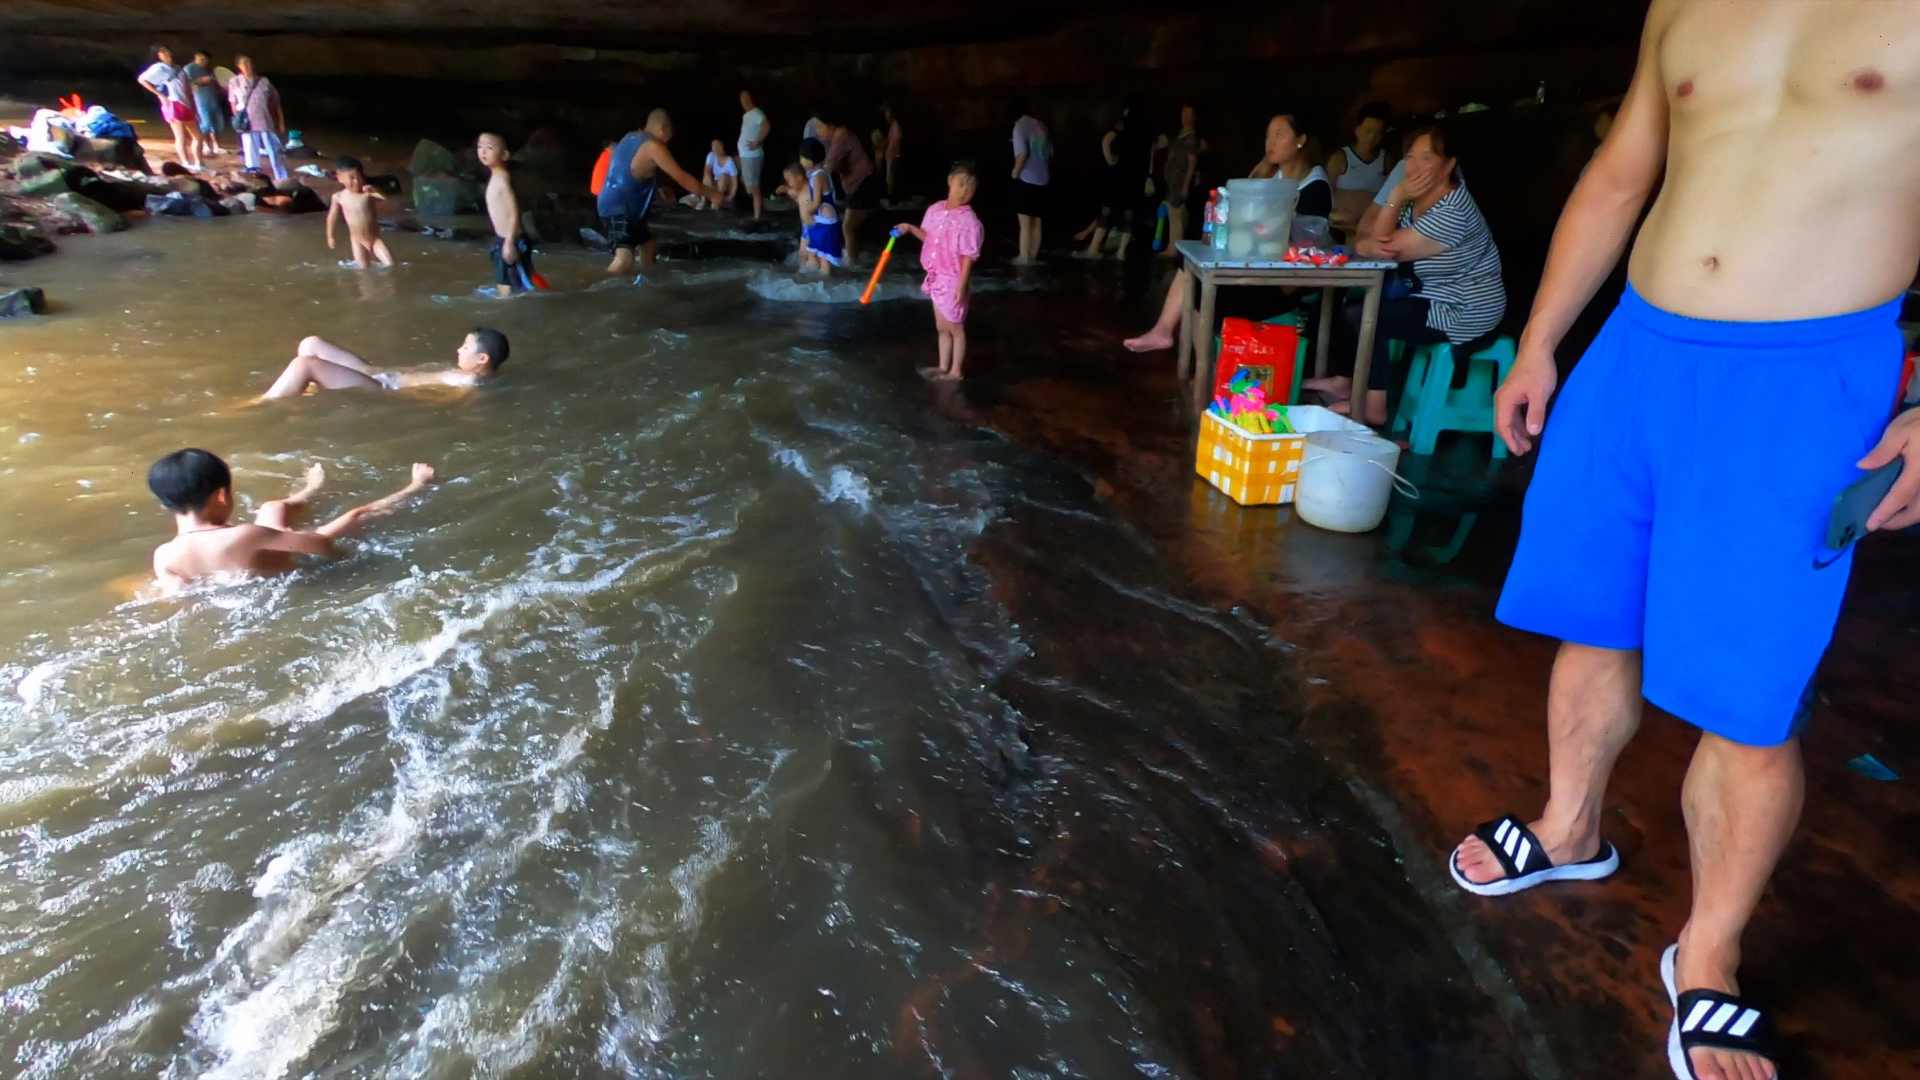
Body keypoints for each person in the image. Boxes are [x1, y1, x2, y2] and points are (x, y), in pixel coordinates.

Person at [1458, 4, 1920, 1079]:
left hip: (1804, 380)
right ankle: (1569, 829)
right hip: (1637, 351)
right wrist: (1540, 341)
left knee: (1750, 695)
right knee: (1595, 620)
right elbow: (1622, 175)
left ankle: (1708, 953)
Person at [1305, 124, 1505, 426]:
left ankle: (1374, 405)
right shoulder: (1416, 201)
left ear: (1449, 164)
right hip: (1431, 296)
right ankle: (1346, 382)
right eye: (1410, 157)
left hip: (1464, 309)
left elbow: (1383, 248)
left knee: (1367, 315)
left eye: (1427, 158)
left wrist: (1394, 198)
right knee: (1355, 307)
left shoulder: (1453, 210)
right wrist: (1378, 231)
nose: (1414, 166)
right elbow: (1370, 241)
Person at [1123, 113, 1333, 353]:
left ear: (1301, 140)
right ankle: (1178, 343)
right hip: (1256, 270)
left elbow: (1295, 248)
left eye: (1280, 134)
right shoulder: (1274, 176)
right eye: (1268, 136)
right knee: (1189, 265)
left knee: (1200, 290)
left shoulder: (1315, 187)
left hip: (1283, 283)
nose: (1270, 143)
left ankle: (1198, 359)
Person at [148, 451, 435, 592]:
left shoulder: (163, 557)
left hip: (246, 585)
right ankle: (416, 487)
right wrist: (345, 556)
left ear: (164, 505)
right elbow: (321, 544)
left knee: (273, 507)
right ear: (222, 495)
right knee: (356, 515)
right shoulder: (245, 535)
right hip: (292, 578)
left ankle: (310, 490)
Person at [597, 110, 720, 275]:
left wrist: (660, 186)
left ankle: (646, 281)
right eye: (669, 136)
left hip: (615, 204)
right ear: (663, 128)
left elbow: (633, 170)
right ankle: (595, 286)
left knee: (648, 245)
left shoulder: (630, 137)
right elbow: (682, 177)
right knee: (625, 258)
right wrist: (713, 195)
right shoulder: (654, 146)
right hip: (620, 208)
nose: (668, 143)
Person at [894, 161, 985, 381]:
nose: (965, 191)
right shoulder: (935, 210)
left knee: (955, 327)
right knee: (942, 326)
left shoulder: (970, 221)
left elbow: (968, 256)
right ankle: (943, 366)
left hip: (954, 279)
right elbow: (929, 238)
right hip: (936, 277)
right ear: (950, 181)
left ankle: (956, 371)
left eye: (971, 187)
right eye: (961, 184)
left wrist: (961, 285)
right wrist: (909, 228)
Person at [260, 329, 509, 398]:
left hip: (382, 387)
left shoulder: (469, 381)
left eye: (465, 347)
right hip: (376, 373)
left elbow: (437, 400)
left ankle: (260, 404)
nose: (458, 349)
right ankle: (306, 390)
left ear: (482, 359)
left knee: (305, 364)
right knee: (311, 343)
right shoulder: (460, 373)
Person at [1075, 101, 1152, 261]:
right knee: (1129, 212)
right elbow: (1153, 148)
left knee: (1107, 209)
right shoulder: (1145, 128)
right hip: (1137, 174)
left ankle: (1093, 248)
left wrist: (1110, 159)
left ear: (1127, 110)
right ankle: (1121, 252)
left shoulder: (1122, 124)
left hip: (1120, 172)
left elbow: (1106, 140)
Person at [475, 133, 533, 296]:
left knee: (516, 288)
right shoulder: (495, 177)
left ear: (504, 155)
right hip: (502, 239)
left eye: (489, 148)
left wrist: (509, 242)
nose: (483, 151)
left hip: (513, 240)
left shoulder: (503, 180)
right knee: (505, 282)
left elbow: (514, 213)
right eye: (480, 146)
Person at [819, 112, 879, 266]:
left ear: (830, 126)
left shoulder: (841, 136)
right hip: (858, 184)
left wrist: (812, 180)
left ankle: (853, 265)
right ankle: (854, 257)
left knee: (848, 227)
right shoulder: (838, 137)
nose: (818, 132)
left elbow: (828, 166)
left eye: (820, 127)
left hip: (863, 182)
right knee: (851, 227)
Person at [1326, 101, 1393, 229]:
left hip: (1371, 225)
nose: (1372, 137)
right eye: (1368, 131)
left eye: (1378, 132)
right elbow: (1325, 195)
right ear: (1357, 130)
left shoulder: (1386, 160)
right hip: (1340, 225)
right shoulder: (1340, 159)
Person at [136, 47, 200, 170]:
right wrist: (160, 95)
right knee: (180, 136)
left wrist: (193, 105)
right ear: (159, 56)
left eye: (168, 51)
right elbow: (142, 79)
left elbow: (187, 88)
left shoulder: (178, 68)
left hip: (185, 104)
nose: (167, 54)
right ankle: (186, 162)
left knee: (197, 136)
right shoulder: (159, 68)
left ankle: (198, 163)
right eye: (163, 52)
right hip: (173, 103)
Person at [784, 139, 842, 272]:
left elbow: (816, 202)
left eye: (802, 158)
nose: (801, 162)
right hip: (821, 219)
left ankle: (825, 280)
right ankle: (817, 278)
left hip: (824, 221)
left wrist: (806, 213)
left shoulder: (818, 176)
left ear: (811, 158)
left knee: (823, 257)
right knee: (816, 255)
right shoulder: (818, 174)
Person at [228, 56, 288, 185]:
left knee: (274, 149)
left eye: (249, 63)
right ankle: (254, 176)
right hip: (247, 123)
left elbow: (276, 102)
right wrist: (238, 119)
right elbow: (233, 102)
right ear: (239, 67)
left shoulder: (264, 81)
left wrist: (280, 122)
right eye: (244, 64)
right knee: (250, 150)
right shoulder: (234, 82)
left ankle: (282, 177)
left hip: (264, 121)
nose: (247, 66)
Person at [326, 156, 394, 269]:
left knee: (391, 265)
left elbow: (384, 200)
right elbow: (332, 217)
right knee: (363, 269)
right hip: (357, 241)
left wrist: (375, 191)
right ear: (339, 178)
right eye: (351, 178)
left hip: (374, 239)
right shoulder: (339, 197)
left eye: (359, 177)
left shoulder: (366, 194)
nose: (356, 181)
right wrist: (330, 236)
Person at [1009, 99, 1051, 266]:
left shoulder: (1019, 126)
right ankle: (1033, 257)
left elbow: (1022, 153)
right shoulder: (1042, 125)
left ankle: (1023, 258)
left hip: (1027, 178)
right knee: (1037, 221)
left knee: (1025, 221)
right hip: (1043, 179)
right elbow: (1050, 152)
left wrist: (1015, 172)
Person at [1158, 104, 1203, 258]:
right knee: (1175, 213)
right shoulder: (1179, 135)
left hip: (1180, 179)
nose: (1185, 116)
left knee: (1175, 213)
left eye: (1188, 113)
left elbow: (1192, 162)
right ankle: (1173, 245)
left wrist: (1186, 185)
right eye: (1183, 113)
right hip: (1172, 179)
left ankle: (1173, 248)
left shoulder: (1191, 138)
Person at [182, 51, 227, 158]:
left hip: (212, 98)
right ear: (196, 57)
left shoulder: (210, 69)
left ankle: (217, 146)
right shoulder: (189, 69)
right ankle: (206, 146)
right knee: (205, 123)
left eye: (206, 60)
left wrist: (222, 88)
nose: (204, 62)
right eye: (202, 59)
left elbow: (217, 83)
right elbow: (187, 84)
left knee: (216, 123)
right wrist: (201, 81)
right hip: (199, 99)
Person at [738, 90, 770, 220]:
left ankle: (757, 216)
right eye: (741, 99)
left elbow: (766, 126)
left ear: (750, 99)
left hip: (752, 156)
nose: (743, 101)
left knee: (754, 187)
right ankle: (757, 211)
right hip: (745, 156)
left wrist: (756, 142)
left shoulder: (756, 112)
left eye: (745, 98)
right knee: (749, 185)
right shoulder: (747, 115)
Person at [702, 140, 740, 210]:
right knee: (706, 179)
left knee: (723, 176)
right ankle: (703, 203)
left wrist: (731, 196)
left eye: (717, 146)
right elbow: (707, 171)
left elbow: (735, 181)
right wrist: (710, 182)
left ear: (722, 147)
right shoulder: (711, 155)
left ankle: (715, 204)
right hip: (716, 184)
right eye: (713, 146)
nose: (715, 148)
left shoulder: (729, 161)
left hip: (727, 186)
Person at [882, 101, 903, 200]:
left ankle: (892, 196)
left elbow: (897, 140)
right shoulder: (893, 126)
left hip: (893, 156)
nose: (886, 116)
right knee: (889, 178)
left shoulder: (896, 127)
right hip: (890, 156)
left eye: (887, 113)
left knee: (891, 178)